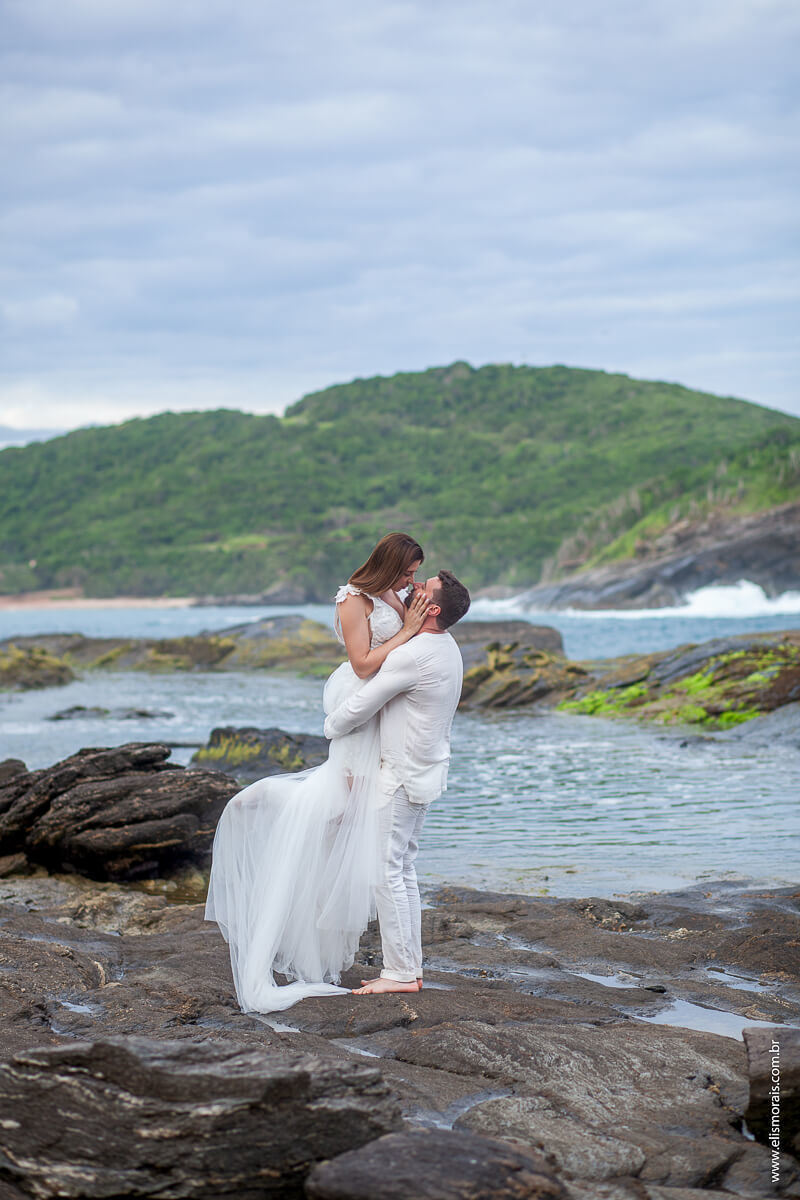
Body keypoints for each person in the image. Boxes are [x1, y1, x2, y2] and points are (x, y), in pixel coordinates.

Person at [204, 532, 431, 1013]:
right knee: (342, 808)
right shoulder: (353, 599)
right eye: (407, 573)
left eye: (414, 575)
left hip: (384, 705)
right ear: (388, 565)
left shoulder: (395, 595)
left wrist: (415, 624)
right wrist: (408, 632)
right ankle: (268, 812)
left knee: (354, 820)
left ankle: (327, 926)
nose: (410, 582)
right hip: (360, 699)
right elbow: (362, 664)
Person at [324, 569, 471, 995]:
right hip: (426, 771)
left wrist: (331, 726)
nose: (414, 587)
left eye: (423, 589)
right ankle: (409, 968)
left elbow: (362, 705)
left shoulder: (413, 655)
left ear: (433, 609)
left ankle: (400, 973)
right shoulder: (446, 646)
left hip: (401, 775)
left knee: (384, 871)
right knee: (402, 869)